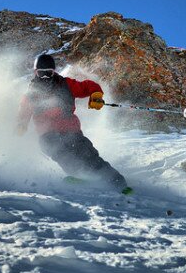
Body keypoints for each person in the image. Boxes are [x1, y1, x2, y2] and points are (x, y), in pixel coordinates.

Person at [17, 54, 130, 192]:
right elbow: (23, 112)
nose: (45, 77)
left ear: (54, 71)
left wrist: (96, 95)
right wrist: (21, 124)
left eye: (49, 73)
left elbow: (88, 86)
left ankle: (116, 181)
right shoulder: (30, 94)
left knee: (88, 154)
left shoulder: (65, 84)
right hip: (48, 135)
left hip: (71, 131)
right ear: (35, 72)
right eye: (41, 73)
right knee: (60, 151)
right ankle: (78, 175)